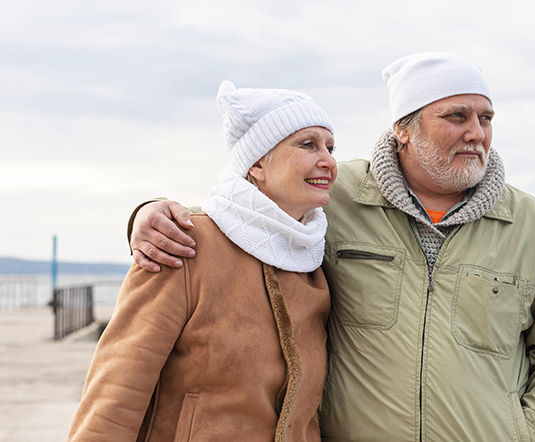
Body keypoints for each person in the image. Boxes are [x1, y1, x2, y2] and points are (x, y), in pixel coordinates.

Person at [129, 53, 535, 442]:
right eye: (456, 116)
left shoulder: (534, 227)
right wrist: (149, 214)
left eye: (485, 118)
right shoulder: (332, 197)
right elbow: (243, 214)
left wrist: (532, 433)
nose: (476, 133)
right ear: (403, 128)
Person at [68, 81, 338, 441]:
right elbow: (117, 387)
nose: (328, 161)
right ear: (257, 163)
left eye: (330, 147)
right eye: (308, 144)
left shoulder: (312, 263)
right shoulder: (185, 243)